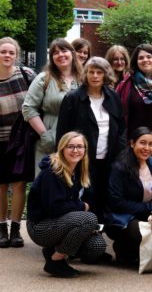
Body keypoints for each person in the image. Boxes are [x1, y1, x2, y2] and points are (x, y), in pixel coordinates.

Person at [26, 132, 108, 278]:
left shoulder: (81, 170)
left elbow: (92, 201)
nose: (75, 150)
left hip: (63, 222)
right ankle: (55, 262)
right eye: (70, 146)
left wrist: (90, 226)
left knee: (97, 246)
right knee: (88, 219)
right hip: (40, 226)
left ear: (85, 149)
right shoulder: (51, 172)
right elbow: (55, 208)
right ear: (62, 148)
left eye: (79, 147)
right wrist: (82, 207)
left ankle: (53, 250)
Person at [56, 57, 126, 221]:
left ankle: (98, 237)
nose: (95, 76)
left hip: (109, 159)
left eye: (99, 72)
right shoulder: (73, 98)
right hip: (81, 160)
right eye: (91, 72)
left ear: (105, 75)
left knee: (104, 198)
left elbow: (121, 127)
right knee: (86, 198)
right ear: (85, 74)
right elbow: (62, 133)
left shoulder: (113, 97)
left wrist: (120, 155)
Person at [105, 127, 152, 266]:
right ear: (132, 143)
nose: (147, 148)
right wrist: (149, 206)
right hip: (124, 217)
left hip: (149, 213)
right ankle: (124, 248)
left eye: (151, 144)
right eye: (142, 143)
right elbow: (116, 202)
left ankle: (136, 253)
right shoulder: (120, 167)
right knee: (141, 232)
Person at [22, 38, 82, 173]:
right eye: (55, 53)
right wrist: (45, 135)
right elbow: (28, 107)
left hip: (79, 140)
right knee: (48, 184)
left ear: (72, 53)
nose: (60, 55)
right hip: (51, 137)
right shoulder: (44, 78)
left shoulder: (84, 78)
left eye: (64, 50)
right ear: (52, 58)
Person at [0, 37, 37, 248]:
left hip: (21, 141)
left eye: (11, 52)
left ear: (16, 55)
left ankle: (16, 230)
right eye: (3, 51)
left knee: (19, 183)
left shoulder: (26, 75)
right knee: (1, 186)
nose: (7, 55)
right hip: (0, 140)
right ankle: (1, 229)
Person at [116, 44, 152, 163]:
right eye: (141, 58)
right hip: (134, 141)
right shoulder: (127, 83)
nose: (145, 60)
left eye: (149, 57)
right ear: (136, 61)